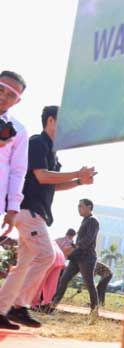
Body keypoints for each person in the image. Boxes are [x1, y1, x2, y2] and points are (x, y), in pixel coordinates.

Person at [0, 105, 96, 330]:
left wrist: (80, 181)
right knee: (47, 255)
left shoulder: (52, 151)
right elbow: (42, 177)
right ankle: (18, 306)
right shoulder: (37, 143)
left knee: (24, 264)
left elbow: (53, 184)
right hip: (28, 211)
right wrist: (77, 174)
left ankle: (4, 309)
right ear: (51, 121)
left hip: (37, 214)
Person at [0, 71, 29, 329]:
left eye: (12, 94)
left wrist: (12, 208)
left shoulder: (19, 131)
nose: (4, 97)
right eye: (1, 89)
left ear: (17, 101)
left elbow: (18, 171)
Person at [50, 199, 101, 315]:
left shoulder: (93, 221)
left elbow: (89, 239)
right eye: (78, 206)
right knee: (64, 280)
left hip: (87, 258)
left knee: (89, 284)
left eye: (81, 206)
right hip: (77, 257)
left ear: (89, 207)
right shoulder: (85, 220)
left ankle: (94, 311)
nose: (79, 208)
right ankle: (52, 306)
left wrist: (73, 246)